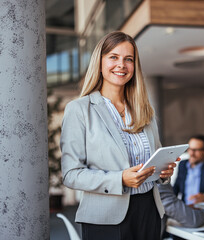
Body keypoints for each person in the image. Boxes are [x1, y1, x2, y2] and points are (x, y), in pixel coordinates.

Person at [60, 31, 177, 240]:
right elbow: (71, 174)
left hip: (149, 210)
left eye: (128, 59)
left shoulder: (145, 111)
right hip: (106, 218)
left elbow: (154, 161)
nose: (121, 65)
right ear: (100, 61)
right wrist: (120, 179)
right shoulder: (79, 109)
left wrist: (163, 173)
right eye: (113, 57)